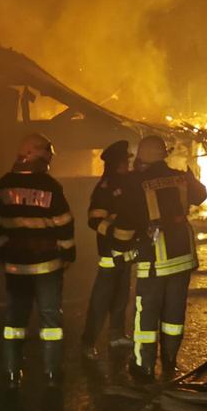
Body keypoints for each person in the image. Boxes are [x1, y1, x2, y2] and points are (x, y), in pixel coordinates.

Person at [111, 135, 207, 380]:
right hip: (183, 253)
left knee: (146, 311)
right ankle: (170, 361)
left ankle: (143, 366)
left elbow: (126, 221)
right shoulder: (181, 176)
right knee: (174, 312)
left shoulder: (136, 182)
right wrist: (190, 175)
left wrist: (119, 249)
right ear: (163, 155)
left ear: (142, 157)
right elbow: (201, 195)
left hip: (154, 255)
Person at [0, 133, 75, 388]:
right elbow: (65, 224)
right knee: (50, 322)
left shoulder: (2, 186)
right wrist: (68, 254)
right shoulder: (50, 186)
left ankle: (12, 373)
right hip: (48, 265)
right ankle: (51, 373)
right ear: (37, 156)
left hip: (15, 266)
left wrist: (4, 255)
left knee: (15, 320)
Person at [81, 141, 134, 360]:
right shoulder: (105, 188)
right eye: (125, 161)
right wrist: (114, 235)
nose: (128, 164)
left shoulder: (127, 183)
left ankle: (116, 335)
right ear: (116, 163)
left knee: (122, 296)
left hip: (127, 253)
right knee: (101, 300)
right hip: (110, 254)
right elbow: (94, 220)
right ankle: (88, 342)